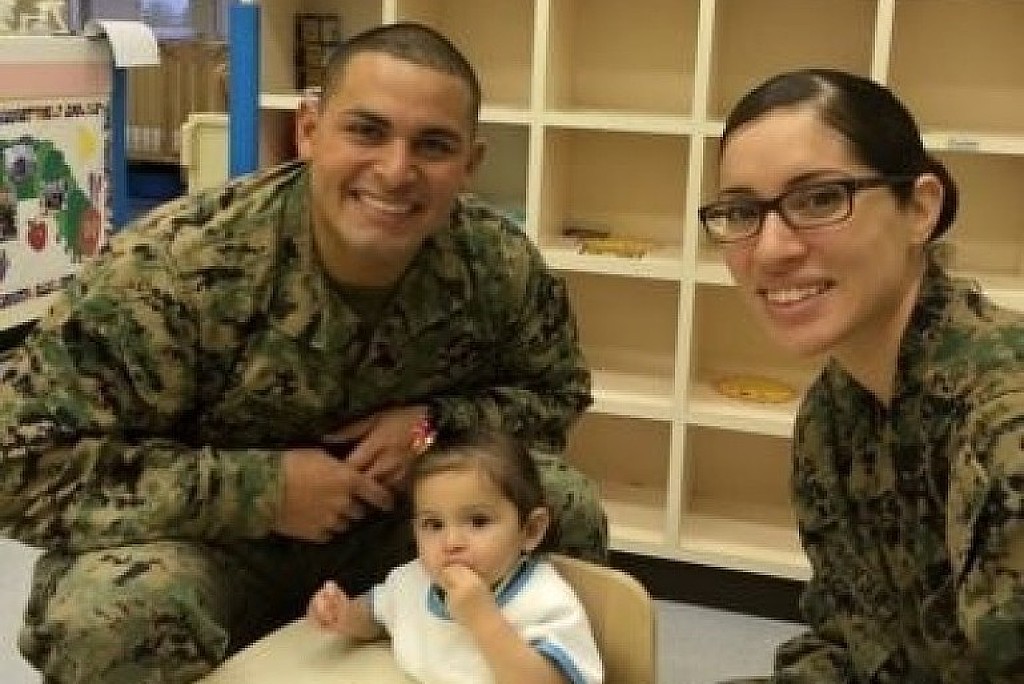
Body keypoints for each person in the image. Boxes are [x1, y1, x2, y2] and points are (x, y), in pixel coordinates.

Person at [0, 22, 607, 683]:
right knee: (108, 618)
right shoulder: (174, 268)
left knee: (562, 509)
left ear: (470, 163)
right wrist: (262, 491)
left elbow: (556, 396)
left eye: (433, 145)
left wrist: (435, 428)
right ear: (310, 130)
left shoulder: (496, 263)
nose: (396, 171)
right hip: (211, 546)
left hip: (408, 531)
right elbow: (18, 463)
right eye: (367, 131)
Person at [699, 67, 1024, 682]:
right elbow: (852, 646)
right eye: (741, 212)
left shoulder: (1003, 427)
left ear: (920, 209)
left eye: (820, 199)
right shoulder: (836, 410)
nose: (771, 250)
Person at [307, 429, 603, 684]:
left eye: (478, 521)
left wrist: (483, 618)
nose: (451, 543)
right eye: (434, 525)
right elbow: (377, 617)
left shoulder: (544, 601)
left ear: (530, 530)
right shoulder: (413, 580)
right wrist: (344, 615)